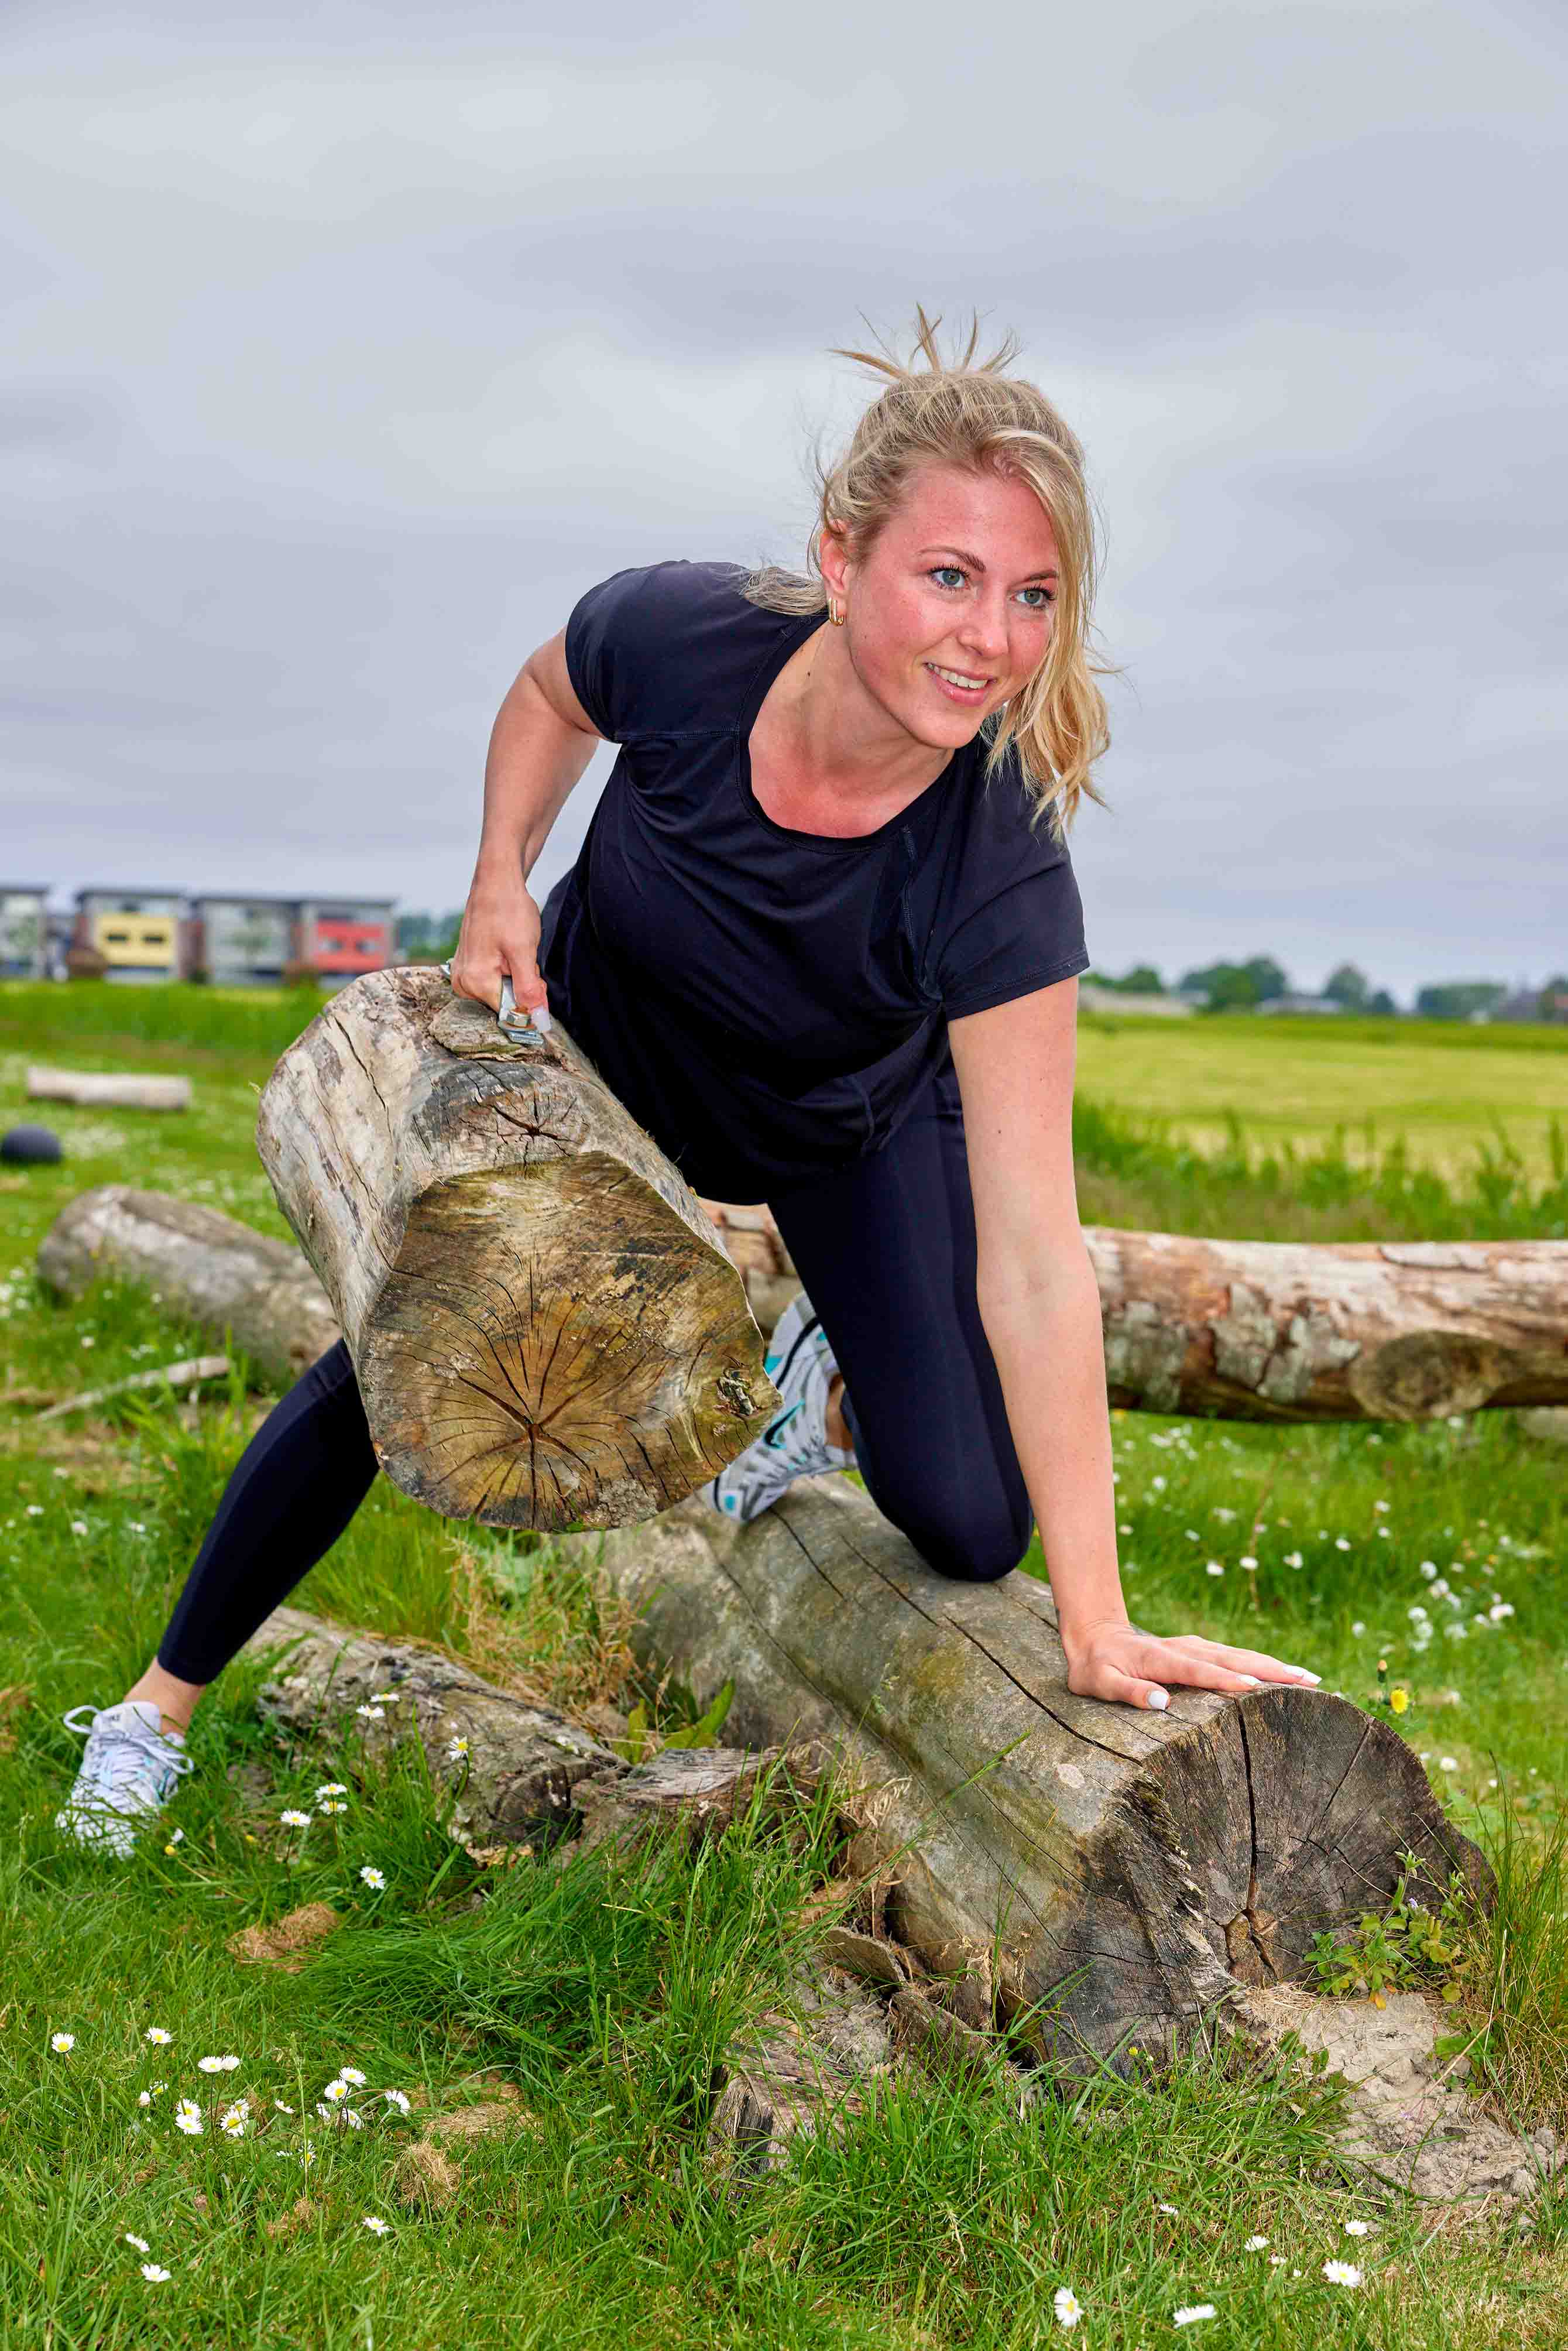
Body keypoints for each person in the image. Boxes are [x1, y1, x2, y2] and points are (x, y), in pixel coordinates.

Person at [57, 309, 1320, 1856]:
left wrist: (1099, 1617)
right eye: (950, 575)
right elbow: (547, 695)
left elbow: (1043, 1262)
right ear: (842, 557)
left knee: (971, 1521)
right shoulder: (683, 637)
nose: (991, 635)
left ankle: (807, 1374)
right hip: (610, 1055)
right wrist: (498, 878)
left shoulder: (1000, 876)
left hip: (843, 1131)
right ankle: (151, 1715)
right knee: (399, 1363)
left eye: (1033, 595)